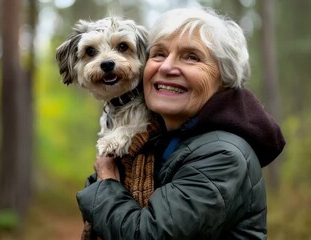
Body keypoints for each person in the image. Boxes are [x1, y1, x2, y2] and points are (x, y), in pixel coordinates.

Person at [76, 7, 286, 240]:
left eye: (191, 57)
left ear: (225, 78)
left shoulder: (222, 155)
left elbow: (148, 235)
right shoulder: (153, 138)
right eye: (159, 54)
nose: (166, 67)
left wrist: (106, 178)